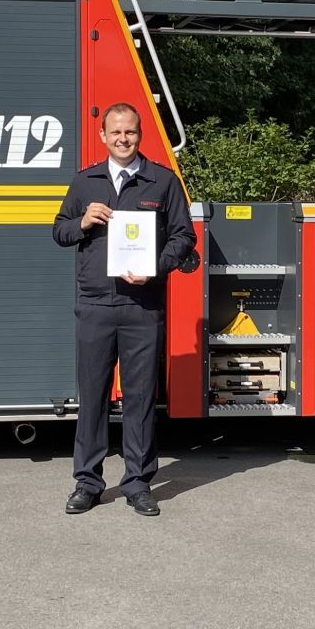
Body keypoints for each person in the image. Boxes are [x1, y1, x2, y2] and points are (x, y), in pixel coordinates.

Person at [52, 103, 195, 516]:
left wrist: (155, 267)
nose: (122, 139)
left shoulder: (162, 182)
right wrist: (81, 222)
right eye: (115, 132)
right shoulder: (84, 183)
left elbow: (184, 238)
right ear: (103, 136)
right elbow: (58, 231)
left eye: (129, 132)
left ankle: (137, 482)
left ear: (140, 134)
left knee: (139, 399)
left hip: (142, 307)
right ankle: (88, 482)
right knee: (93, 397)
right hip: (95, 303)